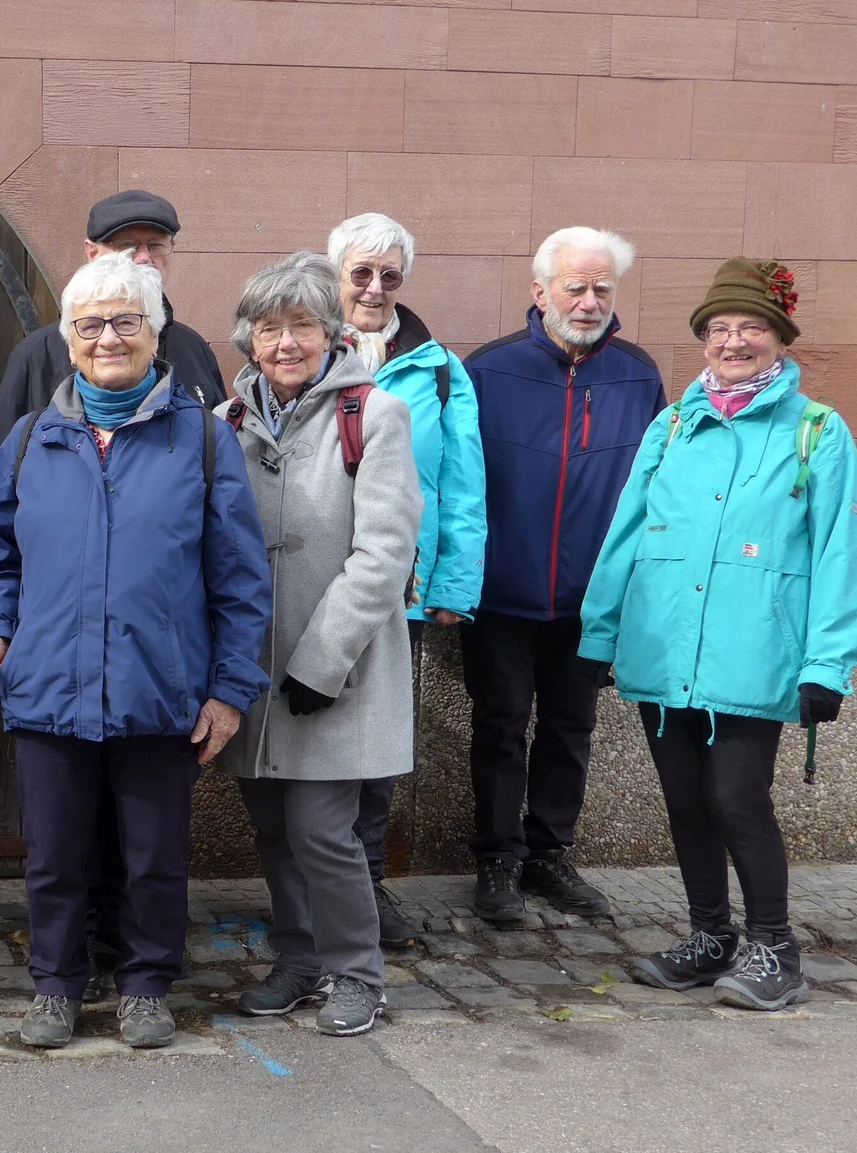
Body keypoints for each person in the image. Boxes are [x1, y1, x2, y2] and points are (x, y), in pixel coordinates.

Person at [0, 252, 272, 1051]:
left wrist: (230, 690)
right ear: (68, 340)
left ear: (154, 334)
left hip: (160, 688)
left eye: (126, 321)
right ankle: (57, 986)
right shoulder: (32, 439)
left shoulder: (201, 440)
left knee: (153, 857)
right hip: (48, 688)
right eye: (91, 324)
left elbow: (240, 579)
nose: (108, 337)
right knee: (56, 857)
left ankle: (143, 985)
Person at [581, 258, 857, 1011]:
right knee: (684, 801)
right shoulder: (673, 425)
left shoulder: (817, 432)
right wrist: (599, 636)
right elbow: (625, 535)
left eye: (750, 328)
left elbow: (841, 554)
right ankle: (709, 935)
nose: (733, 342)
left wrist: (827, 665)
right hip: (663, 645)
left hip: (754, 653)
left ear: (778, 340)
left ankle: (775, 948)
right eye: (718, 329)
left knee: (738, 801)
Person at [211, 253, 422, 1037]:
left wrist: (322, 660)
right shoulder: (226, 423)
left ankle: (357, 974)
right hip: (252, 670)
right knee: (273, 828)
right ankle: (299, 961)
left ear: (329, 331)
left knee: (323, 831)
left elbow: (385, 554)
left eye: (302, 325)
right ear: (249, 339)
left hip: (339, 666)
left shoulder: (373, 413)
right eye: (271, 328)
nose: (287, 343)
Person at [462, 227, 665, 927]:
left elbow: (652, 493)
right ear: (539, 290)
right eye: (574, 286)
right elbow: (457, 485)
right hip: (500, 595)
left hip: (591, 599)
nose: (587, 301)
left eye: (601, 289)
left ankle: (551, 855)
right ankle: (496, 859)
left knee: (570, 728)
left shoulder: (639, 376)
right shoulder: (488, 369)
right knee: (500, 724)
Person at [327, 212, 486, 949]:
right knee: (308, 728)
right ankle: (311, 881)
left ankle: (365, 883)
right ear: (336, 275)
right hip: (317, 575)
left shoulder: (440, 370)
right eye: (361, 272)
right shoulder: (301, 346)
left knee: (380, 737)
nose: (374, 287)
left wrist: (454, 584)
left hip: (403, 586)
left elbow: (462, 484)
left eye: (389, 275)